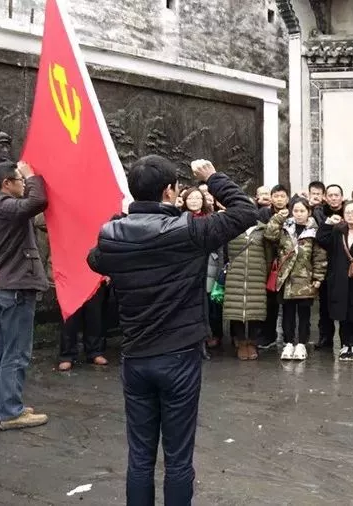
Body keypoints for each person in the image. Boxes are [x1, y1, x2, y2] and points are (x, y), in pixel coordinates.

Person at [87, 157, 257, 505]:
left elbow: (94, 259)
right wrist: (213, 178)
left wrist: (124, 219)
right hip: (179, 356)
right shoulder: (190, 232)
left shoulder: (112, 236)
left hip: (135, 357)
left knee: (140, 456)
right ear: (169, 191)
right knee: (178, 459)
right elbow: (245, 212)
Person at [0, 160, 50, 430]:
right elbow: (37, 202)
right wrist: (34, 176)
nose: (24, 183)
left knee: (2, 352)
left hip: (3, 290)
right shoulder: (4, 205)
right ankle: (11, 411)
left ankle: (0, 408)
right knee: (16, 353)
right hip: (16, 290)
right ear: (6, 184)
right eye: (20, 179)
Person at [264, 198, 328, 361]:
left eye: (302, 211)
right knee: (287, 312)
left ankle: (301, 343)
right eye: (296, 211)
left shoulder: (314, 230)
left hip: (305, 279)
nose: (299, 214)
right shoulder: (286, 227)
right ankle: (288, 342)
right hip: (286, 278)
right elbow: (269, 235)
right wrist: (278, 217)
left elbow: (319, 256)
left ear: (309, 212)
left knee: (304, 313)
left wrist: (318, 277)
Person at [317, 200, 353, 361]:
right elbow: (322, 239)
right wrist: (328, 223)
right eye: (347, 212)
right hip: (340, 278)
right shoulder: (338, 231)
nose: (350, 215)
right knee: (343, 314)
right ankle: (344, 345)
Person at [181, 187, 226, 351]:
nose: (194, 201)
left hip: (210, 264)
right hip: (188, 267)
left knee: (211, 303)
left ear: (203, 201)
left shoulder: (212, 219)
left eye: (197, 198)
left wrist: (221, 268)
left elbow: (220, 246)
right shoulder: (180, 219)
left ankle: (214, 334)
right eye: (190, 198)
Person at [223, 220, 273, 361]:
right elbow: (224, 251)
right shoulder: (232, 226)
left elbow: (268, 253)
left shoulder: (263, 229)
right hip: (235, 272)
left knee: (254, 308)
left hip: (256, 272)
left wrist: (265, 271)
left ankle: (252, 342)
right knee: (236, 308)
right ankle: (241, 342)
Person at [312, 184, 345, 350]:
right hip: (325, 263)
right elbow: (321, 239)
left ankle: (346, 340)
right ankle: (326, 336)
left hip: (344, 263)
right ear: (325, 197)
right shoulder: (319, 212)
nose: (333, 198)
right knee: (324, 304)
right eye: (330, 195)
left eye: (336, 195)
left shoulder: (349, 211)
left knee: (345, 302)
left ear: (342, 197)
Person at [258, 184, 291, 349]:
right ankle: (268, 335)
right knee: (270, 300)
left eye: (282, 196)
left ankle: (289, 336)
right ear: (271, 198)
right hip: (270, 261)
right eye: (276, 196)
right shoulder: (264, 213)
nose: (279, 199)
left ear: (287, 198)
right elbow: (266, 236)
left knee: (288, 300)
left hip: (289, 261)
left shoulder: (293, 212)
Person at [57, 280, 110, 371]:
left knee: (94, 315)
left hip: (94, 277)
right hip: (70, 278)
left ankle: (95, 351)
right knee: (70, 316)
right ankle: (67, 355)